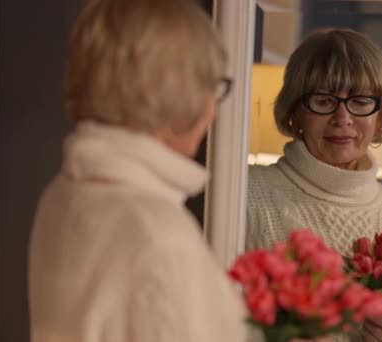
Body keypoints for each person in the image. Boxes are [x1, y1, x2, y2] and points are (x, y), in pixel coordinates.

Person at [28, 0, 248, 341]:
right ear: (177, 94)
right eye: (214, 88)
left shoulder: (62, 192)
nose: (214, 112)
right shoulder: (159, 234)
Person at [246, 28, 382, 342]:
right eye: (323, 99)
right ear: (294, 112)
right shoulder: (249, 192)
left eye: (360, 101)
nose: (342, 117)